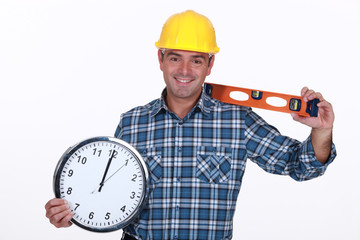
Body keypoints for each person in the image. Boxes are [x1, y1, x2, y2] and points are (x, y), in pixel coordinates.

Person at [45, 10, 336, 240]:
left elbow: (301, 166)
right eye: (175, 58)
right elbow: (111, 196)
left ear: (210, 65)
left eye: (196, 61)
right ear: (161, 59)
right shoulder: (131, 123)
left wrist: (321, 130)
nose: (184, 71)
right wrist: (74, 213)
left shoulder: (238, 120)